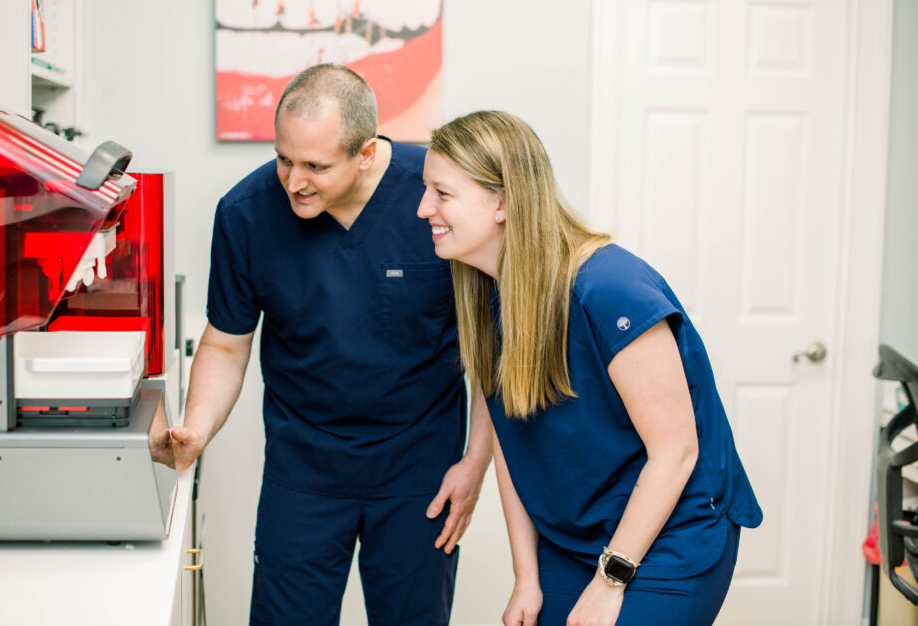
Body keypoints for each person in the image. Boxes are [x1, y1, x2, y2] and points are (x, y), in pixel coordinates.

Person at [154, 64, 493, 625]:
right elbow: (226, 343)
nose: (293, 181)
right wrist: (197, 427)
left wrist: (475, 462)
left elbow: (490, 349)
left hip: (420, 471)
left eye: (315, 165)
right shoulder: (246, 213)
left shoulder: (435, 197)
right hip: (304, 469)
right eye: (284, 158)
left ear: (365, 152)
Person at [416, 110, 762, 626]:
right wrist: (526, 577)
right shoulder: (487, 296)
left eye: (442, 193)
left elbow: (677, 451)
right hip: (573, 534)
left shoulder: (609, 286)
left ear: (504, 202)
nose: (424, 209)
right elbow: (515, 448)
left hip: (671, 531)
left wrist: (611, 581)